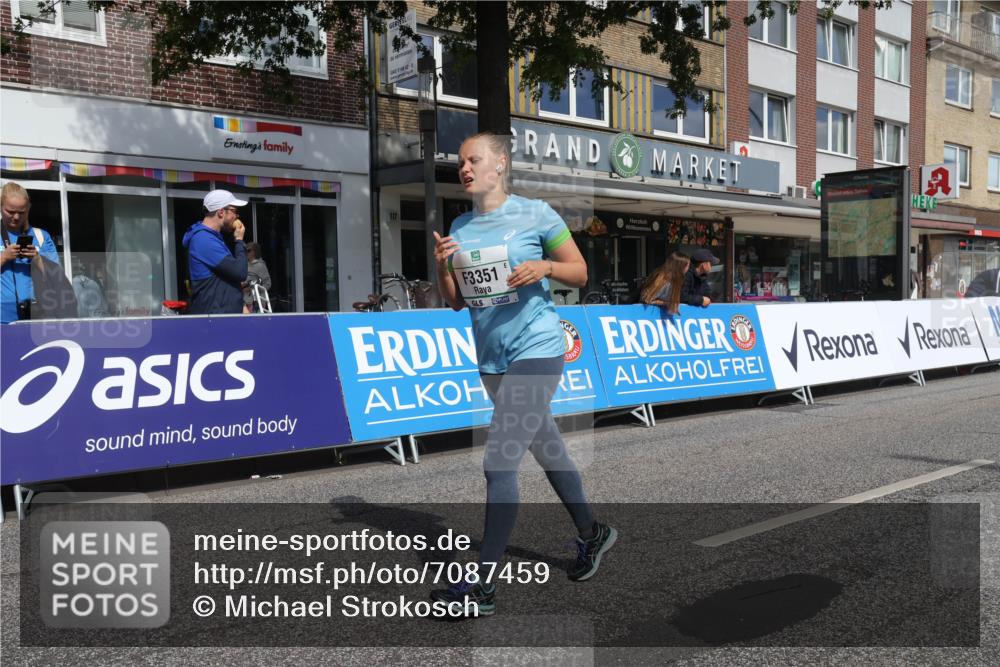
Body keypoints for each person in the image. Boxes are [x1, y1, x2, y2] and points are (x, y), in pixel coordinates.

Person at [429, 131, 617, 617]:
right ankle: (593, 533)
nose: (464, 168)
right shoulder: (461, 226)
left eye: (473, 159)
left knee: (498, 464)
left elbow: (579, 273)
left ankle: (484, 588)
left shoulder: (536, 214)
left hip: (537, 348)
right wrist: (444, 267)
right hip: (491, 359)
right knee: (548, 447)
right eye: (460, 163)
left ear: (500, 164)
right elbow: (456, 302)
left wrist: (543, 266)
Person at [1, 182, 61, 323]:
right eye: (10, 211)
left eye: (21, 212)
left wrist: (38, 259)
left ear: (28, 209)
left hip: (37, 316)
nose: (16, 217)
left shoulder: (41, 236)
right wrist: (4, 257)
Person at [182, 189, 248, 314]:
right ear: (221, 212)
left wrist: (242, 305)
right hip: (215, 320)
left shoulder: (213, 238)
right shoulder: (204, 240)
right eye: (234, 211)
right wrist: (239, 240)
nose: (237, 216)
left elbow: (226, 276)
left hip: (221, 316)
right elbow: (239, 272)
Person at [242, 241, 272, 313]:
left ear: (255, 252)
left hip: (256, 302)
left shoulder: (260, 265)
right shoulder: (244, 264)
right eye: (245, 250)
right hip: (245, 300)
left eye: (248, 250)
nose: (246, 252)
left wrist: (253, 290)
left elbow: (268, 283)